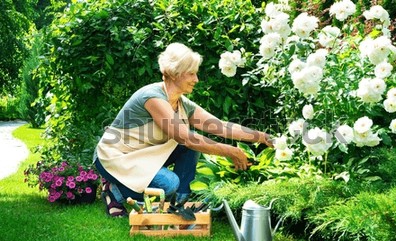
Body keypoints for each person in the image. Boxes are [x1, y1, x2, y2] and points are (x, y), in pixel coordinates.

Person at [93, 42, 273, 217]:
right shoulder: (152, 97)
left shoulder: (181, 103)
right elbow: (186, 138)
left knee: (190, 150)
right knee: (169, 184)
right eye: (191, 74)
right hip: (116, 157)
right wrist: (231, 151)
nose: (196, 79)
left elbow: (220, 126)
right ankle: (114, 190)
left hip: (145, 156)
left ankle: (178, 204)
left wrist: (262, 137)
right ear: (174, 73)